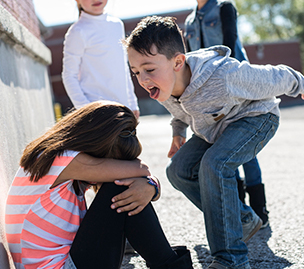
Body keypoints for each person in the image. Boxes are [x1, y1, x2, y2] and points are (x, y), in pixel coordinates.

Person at [124, 16, 304, 269]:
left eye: (148, 69)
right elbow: (179, 111)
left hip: (256, 118)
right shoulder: (163, 83)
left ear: (178, 62)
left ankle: (232, 259)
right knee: (178, 171)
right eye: (136, 71)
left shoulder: (223, 75)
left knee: (214, 165)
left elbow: (272, 76)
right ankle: (242, 218)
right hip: (216, 128)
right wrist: (178, 133)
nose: (142, 79)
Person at [5, 101, 193, 269]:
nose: (116, 168)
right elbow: (140, 169)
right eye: (114, 162)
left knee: (124, 187)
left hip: (65, 261)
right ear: (97, 143)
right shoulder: (63, 160)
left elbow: (141, 174)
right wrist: (150, 184)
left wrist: (151, 186)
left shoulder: (56, 159)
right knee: (120, 187)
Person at [184, 0, 268, 226]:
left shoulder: (224, 9)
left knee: (246, 150)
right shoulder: (188, 22)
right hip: (209, 95)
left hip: (237, 87)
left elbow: (230, 45)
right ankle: (241, 212)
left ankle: (260, 209)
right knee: (223, 149)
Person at [62, 0, 139, 118]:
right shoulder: (78, 32)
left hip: (123, 109)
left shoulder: (117, 25)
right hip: (97, 114)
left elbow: (123, 68)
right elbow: (69, 76)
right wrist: (86, 110)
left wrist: (132, 103)